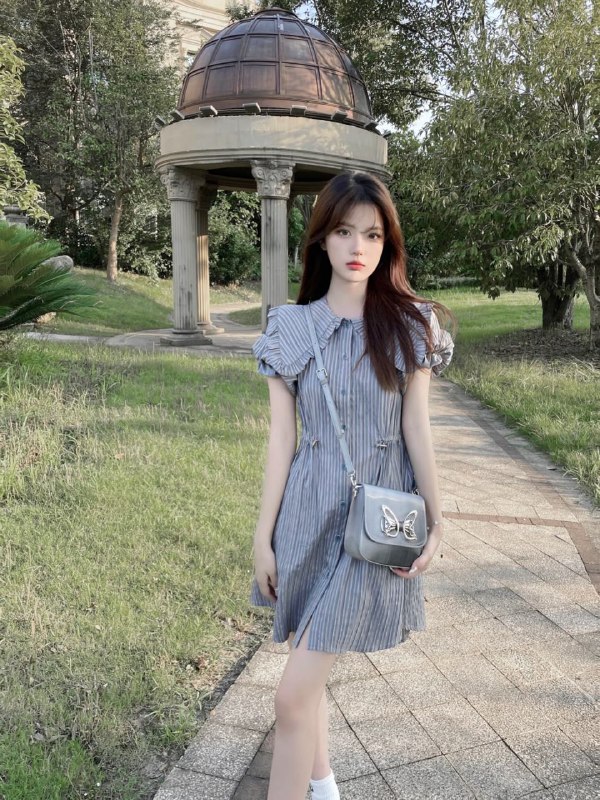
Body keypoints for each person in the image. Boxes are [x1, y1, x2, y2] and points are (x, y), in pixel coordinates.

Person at [250, 171, 454, 800]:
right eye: (343, 231)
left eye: (371, 234)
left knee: (291, 696)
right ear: (321, 239)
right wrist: (262, 537)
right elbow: (282, 439)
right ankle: (324, 786)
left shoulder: (410, 326)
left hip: (371, 529)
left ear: (388, 243)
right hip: (306, 516)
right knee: (308, 672)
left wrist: (438, 521)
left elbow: (416, 428)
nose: (357, 246)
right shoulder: (289, 328)